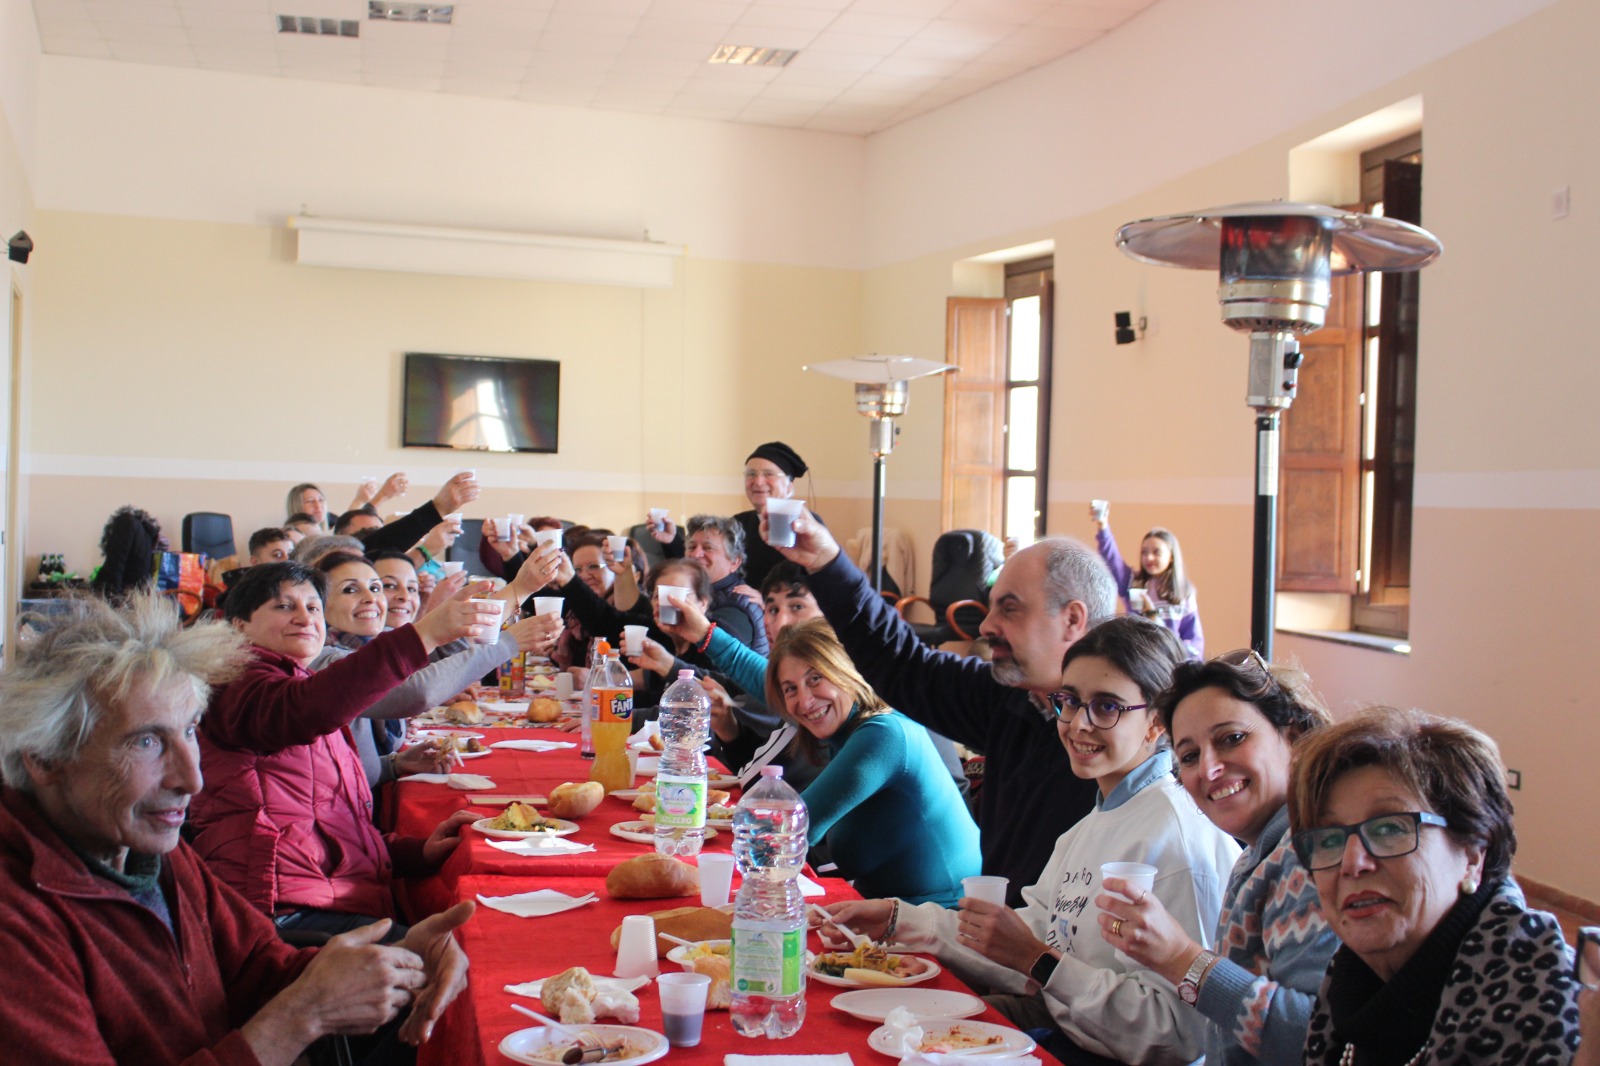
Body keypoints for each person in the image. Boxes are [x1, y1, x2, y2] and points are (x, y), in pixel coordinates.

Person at [0, 590, 474, 1064]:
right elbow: (286, 1000)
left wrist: (398, 961)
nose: (192, 778)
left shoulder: (145, 850)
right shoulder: (18, 923)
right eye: (146, 742)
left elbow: (259, 967)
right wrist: (299, 1017)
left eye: (189, 731)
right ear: (45, 759)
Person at [823, 617, 1240, 1065]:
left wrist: (1039, 962)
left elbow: (1177, 1036)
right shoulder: (1093, 824)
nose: (1079, 724)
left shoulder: (1176, 839)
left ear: (1157, 720)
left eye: (1106, 707)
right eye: (1070, 701)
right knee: (869, 1028)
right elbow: (1031, 935)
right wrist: (897, 920)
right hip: (1061, 1032)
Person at [769, 507, 1116, 905]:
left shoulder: (1124, 739)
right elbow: (902, 662)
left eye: (1010, 608)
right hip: (994, 941)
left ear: (1072, 619)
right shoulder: (1011, 697)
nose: (986, 626)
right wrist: (827, 564)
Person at [189, 561, 498, 936]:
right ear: (238, 626)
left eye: (313, 607)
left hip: (325, 898)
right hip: (278, 913)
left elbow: (333, 824)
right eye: (284, 606)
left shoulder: (299, 684)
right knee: (471, 952)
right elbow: (304, 709)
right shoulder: (236, 683)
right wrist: (426, 633)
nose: (305, 618)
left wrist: (418, 852)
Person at [1290, 706, 1582, 1065]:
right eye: (1330, 839)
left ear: (1474, 853)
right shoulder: (1350, 976)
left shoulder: (1545, 1001)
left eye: (1390, 829)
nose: (1353, 863)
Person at [1097, 649, 1339, 1065]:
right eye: (1189, 756)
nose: (1208, 770)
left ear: (1294, 736)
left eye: (1232, 739)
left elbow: (1315, 1038)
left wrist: (1179, 958)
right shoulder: (1263, 855)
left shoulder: (1312, 855)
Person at [765, 619, 980, 905]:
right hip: (884, 915)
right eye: (791, 689)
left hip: (943, 924)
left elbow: (789, 827)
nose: (804, 702)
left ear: (846, 670)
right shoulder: (845, 732)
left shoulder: (883, 735)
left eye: (815, 678)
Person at [1090, 503, 1202, 657]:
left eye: (1156, 552)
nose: (1149, 557)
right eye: (1144, 552)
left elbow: (1194, 642)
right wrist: (1103, 526)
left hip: (1171, 664)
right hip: (1138, 661)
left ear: (1171, 557)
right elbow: (1112, 560)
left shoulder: (1184, 593)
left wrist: (1152, 615)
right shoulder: (1134, 583)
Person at [92, 504, 164, 598]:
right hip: (137, 597)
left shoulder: (125, 522)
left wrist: (111, 597)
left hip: (119, 598)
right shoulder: (147, 533)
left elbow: (116, 565)